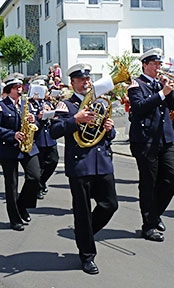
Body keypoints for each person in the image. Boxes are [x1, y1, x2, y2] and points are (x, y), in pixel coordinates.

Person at [50, 63, 118, 275]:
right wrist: (75, 120)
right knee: (82, 213)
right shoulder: (66, 106)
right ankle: (87, 255)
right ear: (73, 83)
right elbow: (54, 131)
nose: (86, 82)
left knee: (110, 205)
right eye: (81, 80)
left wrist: (110, 129)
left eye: (88, 79)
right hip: (80, 165)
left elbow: (109, 134)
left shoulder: (100, 103)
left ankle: (84, 234)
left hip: (102, 163)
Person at [127, 48, 174, 242]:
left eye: (159, 65)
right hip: (145, 140)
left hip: (165, 139)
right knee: (149, 182)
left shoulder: (161, 83)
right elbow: (139, 107)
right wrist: (161, 93)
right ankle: (148, 225)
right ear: (144, 65)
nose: (158, 68)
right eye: (155, 64)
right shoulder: (136, 85)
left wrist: (169, 90)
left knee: (173, 176)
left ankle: (155, 213)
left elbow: (173, 106)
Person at [0, 74, 41, 232]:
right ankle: (14, 218)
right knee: (11, 185)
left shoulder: (26, 104)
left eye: (21, 87)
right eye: (16, 87)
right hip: (9, 148)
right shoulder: (0, 106)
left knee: (35, 177)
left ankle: (22, 205)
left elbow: (36, 124)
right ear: (9, 90)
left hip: (27, 146)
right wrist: (12, 134)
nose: (20, 89)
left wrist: (34, 121)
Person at [28, 83, 59, 199]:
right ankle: (37, 188)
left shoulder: (47, 103)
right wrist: (38, 117)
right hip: (38, 138)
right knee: (39, 164)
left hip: (49, 138)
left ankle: (41, 182)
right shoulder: (30, 105)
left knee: (53, 161)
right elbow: (29, 119)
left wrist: (51, 112)